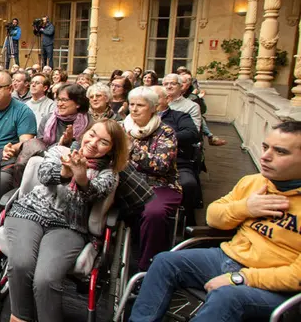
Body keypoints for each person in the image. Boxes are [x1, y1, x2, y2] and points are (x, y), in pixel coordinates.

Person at [129, 121, 301, 322]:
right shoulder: (253, 182)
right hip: (227, 257)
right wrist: (245, 208)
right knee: (164, 261)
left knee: (227, 297)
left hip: (276, 283)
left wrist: (241, 278)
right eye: (265, 147)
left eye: (280, 152)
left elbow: (296, 275)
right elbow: (213, 216)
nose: (265, 156)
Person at [5, 119, 127, 322]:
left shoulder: (108, 174)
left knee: (46, 279)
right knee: (21, 264)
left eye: (103, 142)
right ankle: (19, 317)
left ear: (112, 149)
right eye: (92, 134)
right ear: (85, 132)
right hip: (29, 213)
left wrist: (81, 177)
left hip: (68, 226)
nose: (93, 142)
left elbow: (93, 195)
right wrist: (65, 172)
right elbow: (43, 174)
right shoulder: (60, 151)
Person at [124, 86, 180, 270]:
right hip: (125, 183)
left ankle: (148, 267)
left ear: (153, 108)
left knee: (153, 213)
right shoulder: (120, 127)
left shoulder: (165, 132)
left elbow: (162, 166)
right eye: (132, 104)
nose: (134, 109)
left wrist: (133, 148)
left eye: (140, 105)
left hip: (159, 185)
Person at [153, 85, 202, 226]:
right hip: (145, 162)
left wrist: (163, 139)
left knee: (188, 183)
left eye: (154, 98)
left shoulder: (179, 116)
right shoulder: (139, 117)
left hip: (176, 162)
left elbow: (193, 134)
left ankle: (187, 223)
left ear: (167, 99)